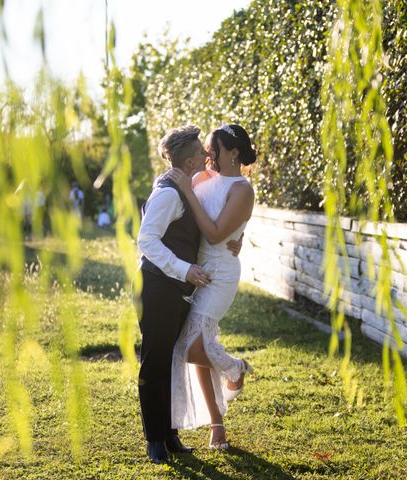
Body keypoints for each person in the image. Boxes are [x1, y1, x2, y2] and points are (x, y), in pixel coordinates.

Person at [136, 125, 242, 464]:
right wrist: (185, 270)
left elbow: (213, 222)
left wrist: (235, 240)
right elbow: (146, 241)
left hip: (178, 288)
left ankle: (170, 435)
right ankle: (155, 439)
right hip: (156, 288)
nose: (206, 155)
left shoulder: (190, 185)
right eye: (201, 152)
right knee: (156, 363)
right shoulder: (169, 193)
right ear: (188, 160)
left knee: (171, 360)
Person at [167, 123, 256, 450]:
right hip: (195, 270)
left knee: (190, 346)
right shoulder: (202, 178)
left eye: (212, 149)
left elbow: (218, 233)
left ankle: (234, 368)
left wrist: (238, 237)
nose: (206, 154)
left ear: (233, 153)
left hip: (220, 274)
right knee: (200, 344)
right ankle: (217, 427)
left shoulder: (242, 189)